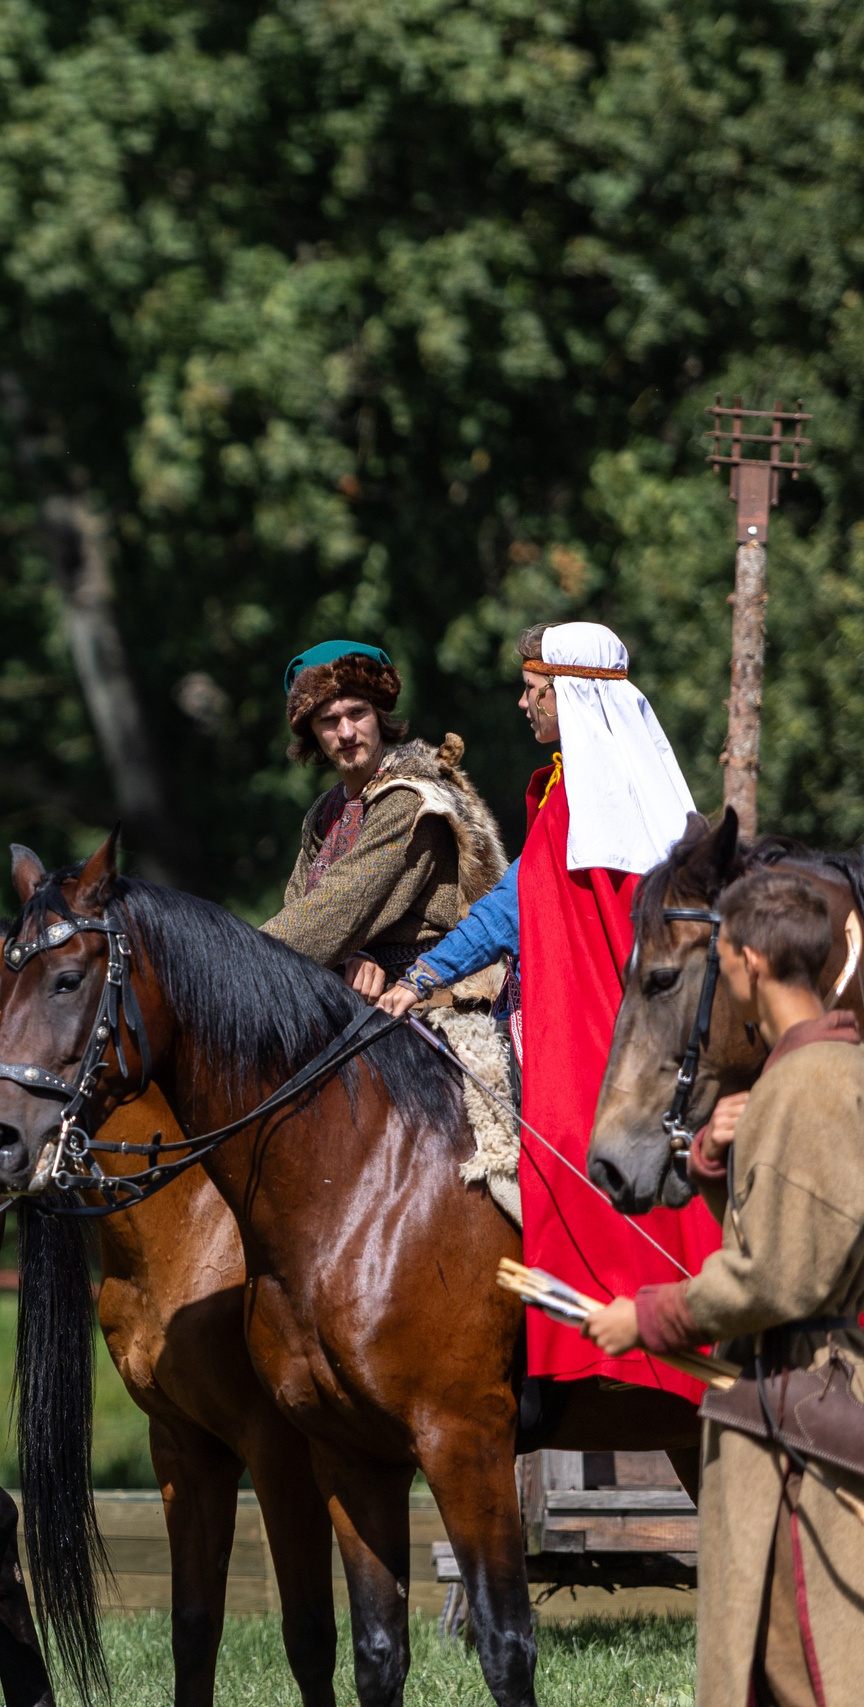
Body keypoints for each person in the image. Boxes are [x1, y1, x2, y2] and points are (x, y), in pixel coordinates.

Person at [379, 621, 721, 1401]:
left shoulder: (602, 802)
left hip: (611, 1032)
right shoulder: (574, 793)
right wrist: (430, 970)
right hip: (552, 1007)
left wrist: (427, 971)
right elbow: (517, 902)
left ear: (571, 694)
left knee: (568, 1134)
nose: (522, 701)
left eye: (535, 689)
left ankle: (617, 1337)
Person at [582, 868, 864, 1704]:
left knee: (810, 1668)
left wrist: (653, 1313)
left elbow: (783, 1271)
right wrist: (711, 1162)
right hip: (774, 1413)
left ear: (743, 960)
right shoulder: (797, 1078)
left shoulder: (814, 1085)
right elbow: (783, 1226)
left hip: (803, 1423)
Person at [260, 639, 506, 995]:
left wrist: (234, 963)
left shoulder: (410, 799)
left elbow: (336, 912)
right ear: (312, 731)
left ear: (378, 714)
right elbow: (302, 908)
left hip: (440, 1002)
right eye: (328, 720)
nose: (346, 732)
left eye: (357, 712)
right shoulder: (324, 811)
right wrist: (349, 958)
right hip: (350, 998)